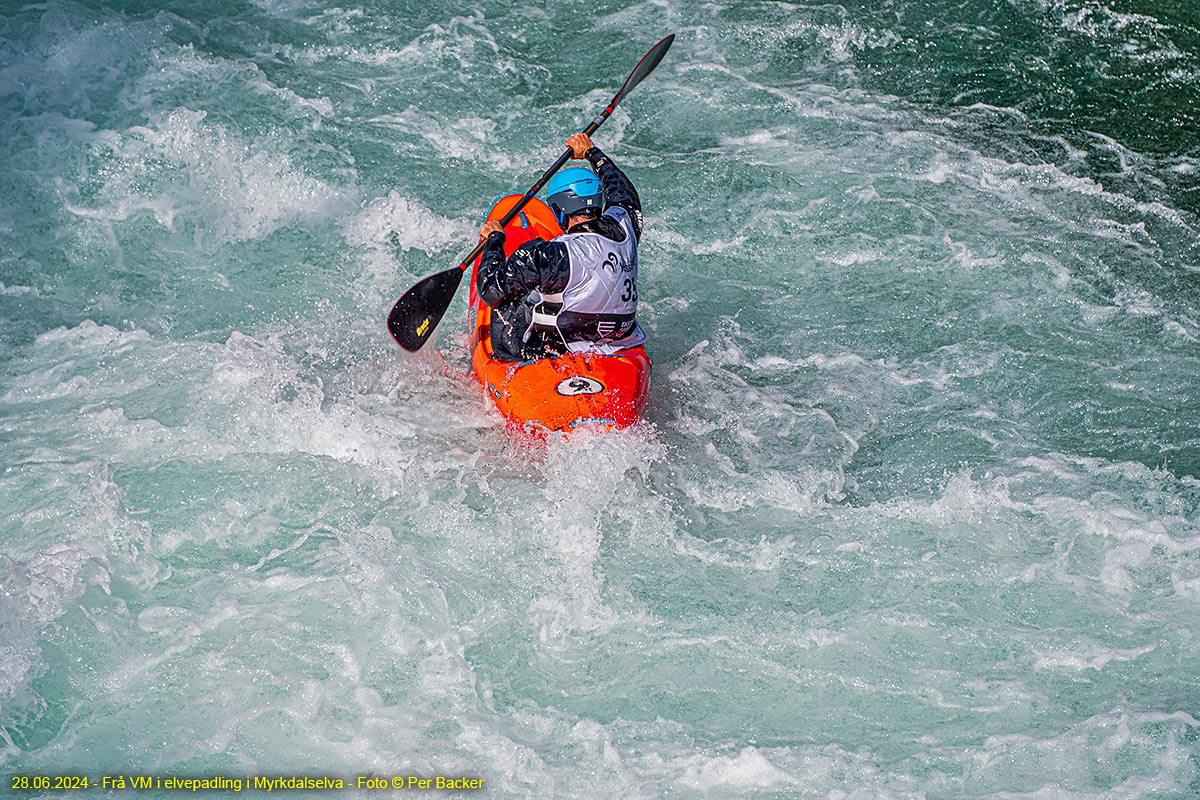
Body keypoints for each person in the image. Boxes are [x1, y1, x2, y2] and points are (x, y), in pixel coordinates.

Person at [476, 132, 645, 362]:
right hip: (620, 340)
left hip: (564, 346)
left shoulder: (552, 254)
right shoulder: (626, 225)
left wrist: (494, 241)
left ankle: (513, 360)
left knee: (511, 299)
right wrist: (592, 153)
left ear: (558, 210)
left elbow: (490, 289)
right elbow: (623, 192)